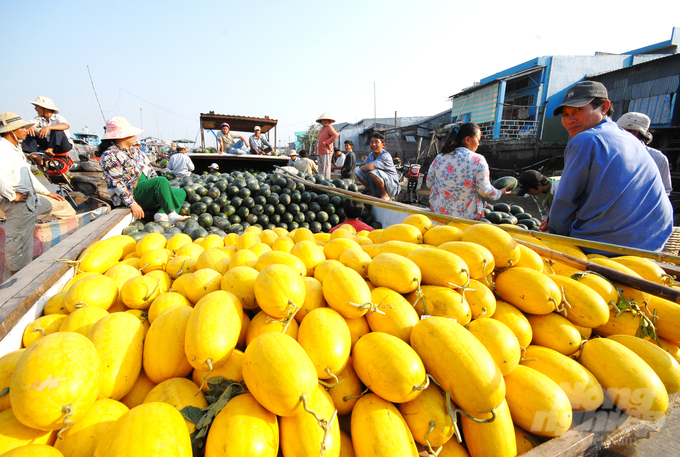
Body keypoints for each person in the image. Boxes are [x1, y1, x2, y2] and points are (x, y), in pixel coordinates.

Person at [549, 81, 672, 252]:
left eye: (579, 110)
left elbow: (564, 202)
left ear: (604, 107)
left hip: (608, 245)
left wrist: (552, 238)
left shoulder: (585, 140)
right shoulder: (631, 140)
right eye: (565, 114)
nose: (570, 119)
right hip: (654, 241)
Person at [0, 112, 75, 275]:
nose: (26, 131)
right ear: (11, 131)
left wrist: (48, 193)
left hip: (30, 199)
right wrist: (12, 196)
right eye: (23, 128)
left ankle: (59, 248)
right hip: (18, 203)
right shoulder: (3, 149)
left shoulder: (15, 149)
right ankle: (16, 278)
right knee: (17, 241)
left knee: (63, 206)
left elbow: (28, 177)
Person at [97, 117, 190, 224]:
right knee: (161, 181)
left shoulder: (136, 152)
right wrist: (132, 204)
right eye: (131, 133)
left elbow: (151, 173)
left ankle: (162, 214)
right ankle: (172, 215)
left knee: (180, 192)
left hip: (145, 193)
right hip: (131, 194)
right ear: (121, 136)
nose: (135, 136)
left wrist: (162, 192)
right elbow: (116, 183)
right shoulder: (110, 155)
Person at [426, 123, 510, 218]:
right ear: (468, 139)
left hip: (439, 214)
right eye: (478, 140)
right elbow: (484, 190)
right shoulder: (478, 160)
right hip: (468, 217)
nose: (478, 144)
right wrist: (499, 192)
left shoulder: (439, 158)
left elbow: (429, 183)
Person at [617, 112, 672, 195]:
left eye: (621, 130)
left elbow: (665, 191)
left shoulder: (657, 158)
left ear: (635, 132)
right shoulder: (611, 153)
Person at [22, 96, 74, 174]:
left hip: (61, 145)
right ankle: (34, 154)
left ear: (44, 108)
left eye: (37, 107)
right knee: (29, 131)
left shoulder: (58, 118)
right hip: (47, 143)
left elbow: (66, 126)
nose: (35, 109)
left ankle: (50, 150)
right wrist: (31, 126)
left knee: (56, 130)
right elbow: (30, 124)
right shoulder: (38, 118)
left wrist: (48, 127)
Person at [355, 133, 400, 201]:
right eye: (372, 142)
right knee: (359, 173)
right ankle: (373, 192)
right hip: (379, 186)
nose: (373, 144)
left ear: (383, 144)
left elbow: (369, 167)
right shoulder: (371, 155)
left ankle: (385, 195)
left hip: (392, 187)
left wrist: (363, 167)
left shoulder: (385, 156)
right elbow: (364, 163)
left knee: (373, 172)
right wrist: (362, 166)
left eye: (376, 142)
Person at [316, 112, 339, 179]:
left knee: (326, 168)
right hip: (320, 151)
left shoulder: (329, 127)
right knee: (320, 168)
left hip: (326, 150)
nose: (325, 121)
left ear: (329, 121)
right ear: (321, 121)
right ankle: (320, 179)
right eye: (323, 120)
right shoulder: (322, 129)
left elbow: (335, 135)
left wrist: (327, 143)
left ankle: (326, 180)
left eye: (326, 120)